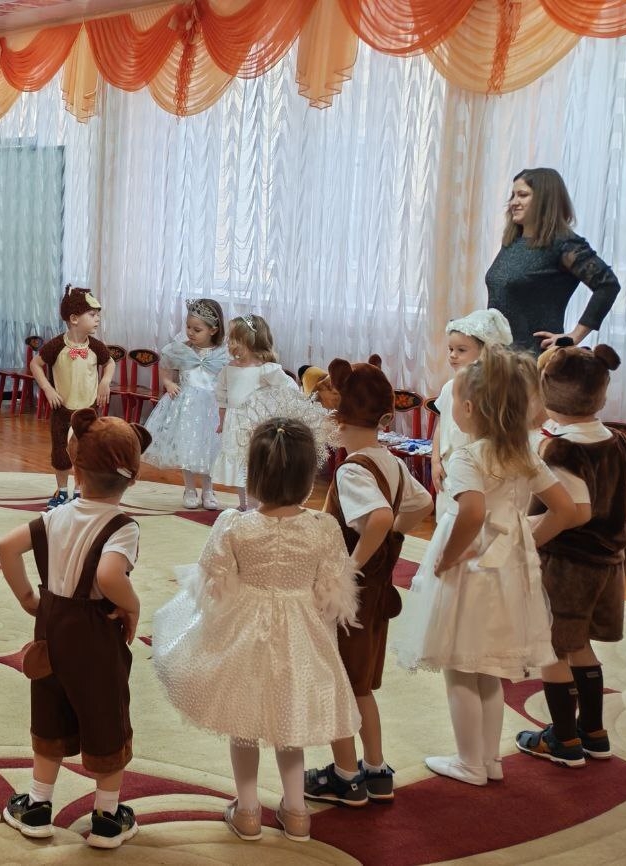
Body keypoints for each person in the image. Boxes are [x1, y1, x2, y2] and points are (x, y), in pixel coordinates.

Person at [153, 418, 360, 843]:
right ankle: (297, 812)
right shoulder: (324, 527)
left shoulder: (234, 524)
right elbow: (333, 590)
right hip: (301, 633)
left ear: (253, 473)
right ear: (309, 475)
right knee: (290, 720)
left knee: (242, 719)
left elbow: (213, 582)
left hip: (244, 633)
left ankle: (247, 811)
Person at [394, 346, 578, 786]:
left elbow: (472, 513)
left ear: (470, 408)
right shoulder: (525, 455)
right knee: (489, 669)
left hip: (471, 569)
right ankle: (490, 760)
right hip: (507, 572)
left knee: (461, 665)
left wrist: (448, 557)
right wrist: (525, 540)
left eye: (455, 400)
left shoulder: (469, 456)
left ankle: (469, 762)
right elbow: (566, 509)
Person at [0, 408, 149, 850]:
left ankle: (37, 805)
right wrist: (133, 605)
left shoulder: (55, 516)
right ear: (132, 480)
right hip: (95, 633)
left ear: (76, 470)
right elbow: (109, 576)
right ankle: (107, 818)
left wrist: (29, 598)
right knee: (106, 717)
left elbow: (6, 547)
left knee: (49, 712)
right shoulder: (122, 526)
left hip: (51, 627)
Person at [516, 342, 626, 767]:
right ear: (602, 394)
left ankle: (563, 740)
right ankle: (594, 734)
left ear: (545, 393)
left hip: (567, 565)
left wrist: (530, 541)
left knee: (552, 650)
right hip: (607, 563)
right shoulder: (615, 440)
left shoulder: (561, 449)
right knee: (579, 645)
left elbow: (569, 511)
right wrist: (617, 521)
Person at [303, 357, 432, 807]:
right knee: (360, 686)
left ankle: (345, 777)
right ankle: (376, 769)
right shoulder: (390, 462)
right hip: (378, 595)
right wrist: (393, 538)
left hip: (351, 597)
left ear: (338, 420)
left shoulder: (353, 469)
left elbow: (376, 518)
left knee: (338, 683)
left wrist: (352, 565)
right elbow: (422, 503)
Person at [485, 168, 621, 353]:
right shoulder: (513, 242)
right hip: (498, 358)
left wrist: (574, 336)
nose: (513, 203)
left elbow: (608, 285)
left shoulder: (565, 244)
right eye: (513, 196)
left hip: (535, 358)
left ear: (545, 200)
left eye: (522, 195)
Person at [30, 285, 115, 510]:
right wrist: (48, 389)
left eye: (98, 315)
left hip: (88, 409)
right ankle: (62, 491)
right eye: (92, 315)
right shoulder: (57, 345)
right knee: (61, 451)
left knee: (84, 450)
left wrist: (105, 382)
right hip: (63, 409)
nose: (97, 319)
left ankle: (79, 491)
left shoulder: (96, 346)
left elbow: (109, 363)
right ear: (74, 318)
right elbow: (35, 364)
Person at [141, 299, 229, 510]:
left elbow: (229, 378)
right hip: (186, 406)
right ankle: (189, 488)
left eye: (197, 329)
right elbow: (165, 365)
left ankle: (208, 489)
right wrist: (168, 383)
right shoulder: (180, 350)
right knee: (186, 448)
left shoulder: (222, 353)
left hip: (211, 408)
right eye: (188, 327)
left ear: (213, 330)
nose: (190, 332)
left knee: (209, 450)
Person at [212, 315, 298, 511]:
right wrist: (222, 421)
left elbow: (290, 389)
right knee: (240, 467)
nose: (230, 343)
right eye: (230, 338)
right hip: (235, 425)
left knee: (253, 466)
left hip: (255, 426)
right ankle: (245, 505)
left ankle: (256, 506)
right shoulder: (229, 369)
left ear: (251, 340)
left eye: (235, 339)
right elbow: (222, 397)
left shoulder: (266, 369)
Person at [432, 310, 514, 514]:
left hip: (476, 470)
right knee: (447, 519)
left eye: (461, 350)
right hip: (448, 468)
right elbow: (441, 425)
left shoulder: (491, 391)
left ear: (484, 352)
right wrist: (435, 461)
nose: (453, 355)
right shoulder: (448, 387)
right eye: (450, 349)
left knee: (469, 515)